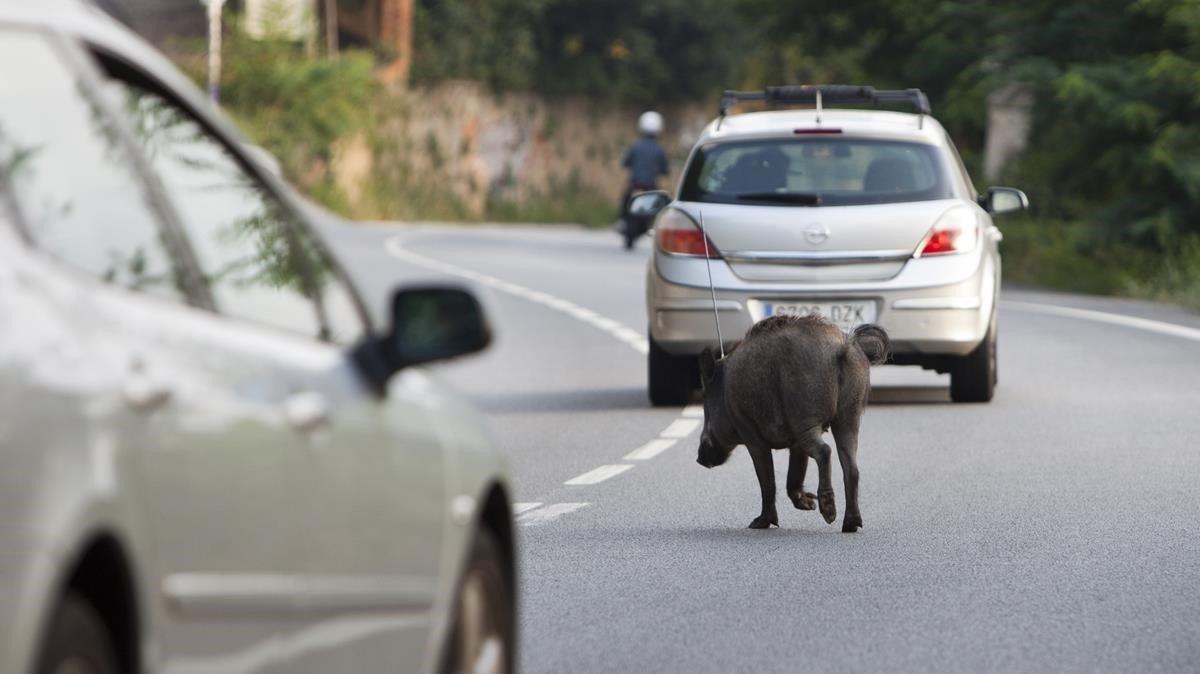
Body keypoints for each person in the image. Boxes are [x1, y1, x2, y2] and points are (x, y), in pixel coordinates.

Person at [618, 111, 668, 247]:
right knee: (659, 204)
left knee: (625, 199)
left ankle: (621, 220)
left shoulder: (635, 146)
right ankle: (654, 224)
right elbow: (665, 170)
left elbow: (626, 163)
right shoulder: (659, 150)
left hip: (635, 183)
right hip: (650, 186)